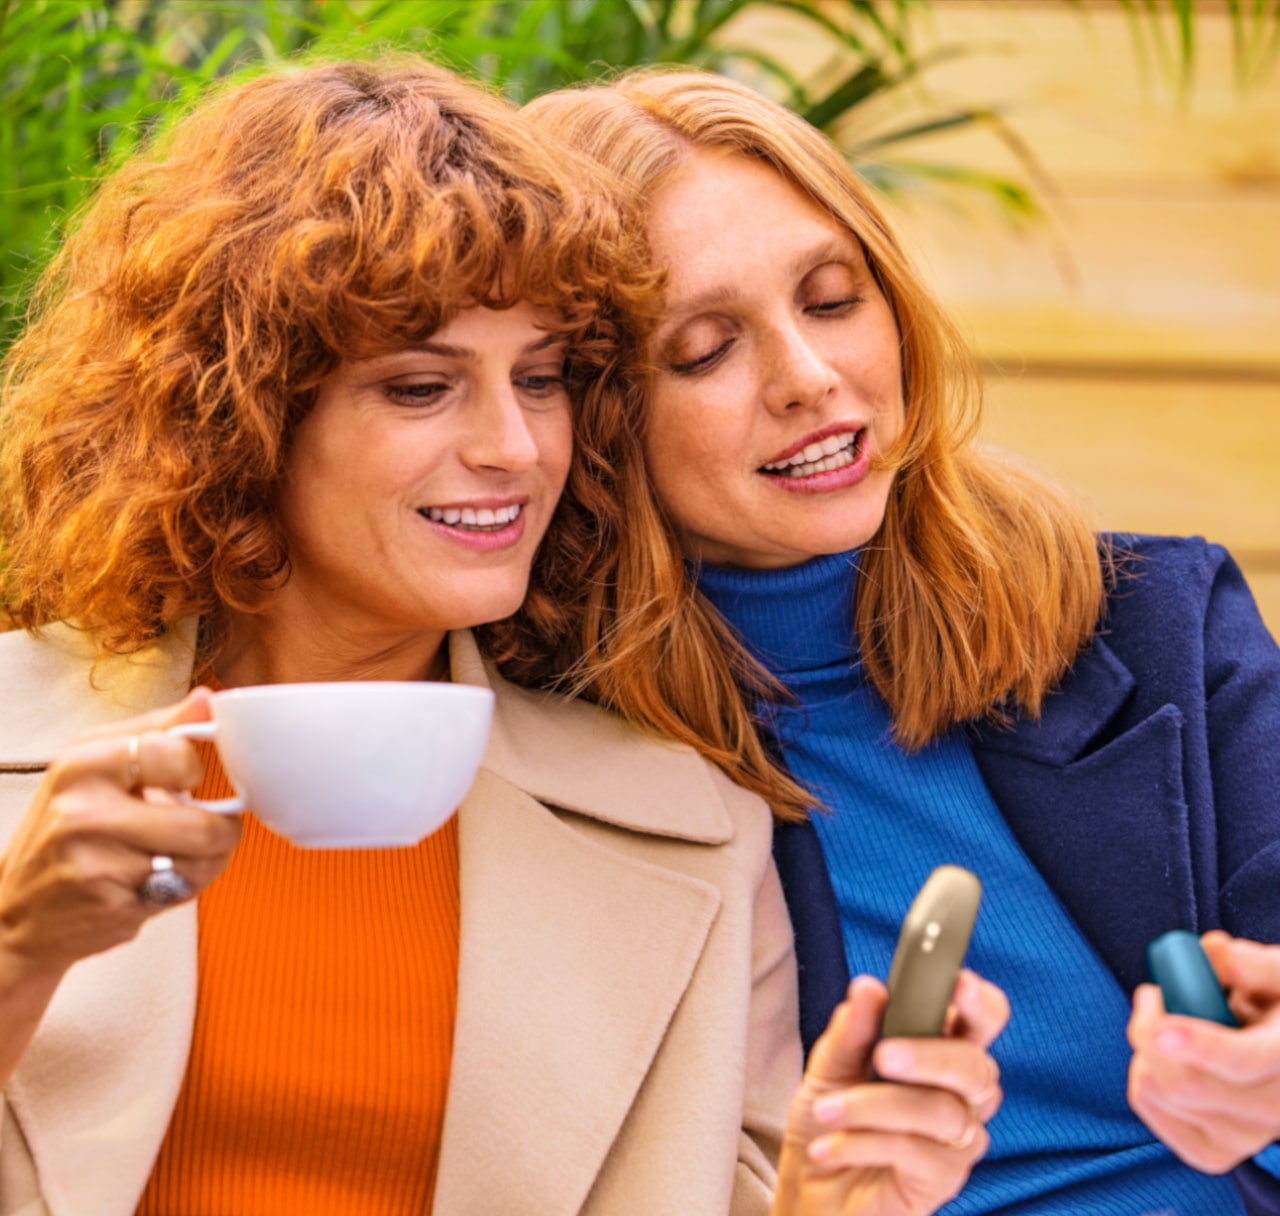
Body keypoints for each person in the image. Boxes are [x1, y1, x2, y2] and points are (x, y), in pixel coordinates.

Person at [0, 53, 1009, 1216]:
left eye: (539, 379)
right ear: (244, 415)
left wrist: (843, 1199)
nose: (515, 448)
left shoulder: (688, 826)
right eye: (421, 388)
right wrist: (22, 950)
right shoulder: (31, 771)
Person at [522, 68, 1280, 1215]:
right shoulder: (547, 759)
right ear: (590, 416)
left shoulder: (1153, 618)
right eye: (703, 350)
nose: (811, 379)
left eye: (831, 300)